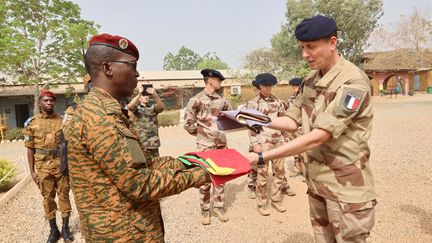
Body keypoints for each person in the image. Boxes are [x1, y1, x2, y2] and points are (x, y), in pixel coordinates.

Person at [64, 33, 209, 242]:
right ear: (108, 68)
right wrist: (201, 175)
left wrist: (186, 162)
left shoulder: (106, 111)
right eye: (132, 65)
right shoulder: (101, 118)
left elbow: (142, 164)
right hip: (122, 234)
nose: (138, 73)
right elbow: (139, 184)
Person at [246, 15, 376, 242]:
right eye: (302, 48)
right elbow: (291, 121)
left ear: (333, 43)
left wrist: (262, 157)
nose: (305, 54)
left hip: (346, 191)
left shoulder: (353, 83)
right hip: (317, 184)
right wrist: (250, 118)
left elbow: (319, 137)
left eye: (311, 47)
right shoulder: (310, 81)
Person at [23, 90, 73, 243]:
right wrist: (32, 171)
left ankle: (65, 229)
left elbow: (69, 144)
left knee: (64, 196)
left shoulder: (62, 121)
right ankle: (54, 230)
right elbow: (29, 148)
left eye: (51, 101)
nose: (49, 103)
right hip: (43, 166)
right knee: (48, 198)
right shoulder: (31, 123)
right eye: (46, 100)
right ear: (40, 103)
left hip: (61, 164)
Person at [184, 68, 232, 225]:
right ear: (210, 80)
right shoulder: (196, 100)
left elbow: (231, 118)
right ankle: (205, 210)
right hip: (205, 145)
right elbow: (188, 122)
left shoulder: (222, 100)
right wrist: (201, 135)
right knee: (205, 178)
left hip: (221, 144)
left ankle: (218, 206)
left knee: (221, 175)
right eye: (218, 80)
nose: (220, 82)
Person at [245, 73, 294, 216]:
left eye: (270, 86)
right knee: (263, 174)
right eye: (265, 86)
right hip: (262, 142)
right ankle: (261, 204)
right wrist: (255, 143)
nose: (267, 88)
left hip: (277, 142)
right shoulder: (253, 103)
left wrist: (286, 138)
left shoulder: (278, 102)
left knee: (279, 172)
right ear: (259, 86)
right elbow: (251, 126)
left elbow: (283, 121)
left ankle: (276, 200)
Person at [128, 82, 164, 158]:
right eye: (144, 95)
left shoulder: (153, 108)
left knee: (156, 165)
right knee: (143, 165)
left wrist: (155, 94)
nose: (146, 97)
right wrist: (139, 93)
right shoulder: (137, 109)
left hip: (153, 143)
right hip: (141, 143)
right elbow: (130, 107)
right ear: (140, 98)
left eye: (147, 95)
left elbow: (161, 107)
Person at [285, 77, 305, 178]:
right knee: (295, 151)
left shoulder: (305, 97)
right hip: (293, 130)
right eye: (293, 86)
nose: (294, 87)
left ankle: (305, 172)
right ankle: (298, 170)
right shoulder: (291, 99)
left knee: (304, 151)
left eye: (296, 85)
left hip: (302, 128)